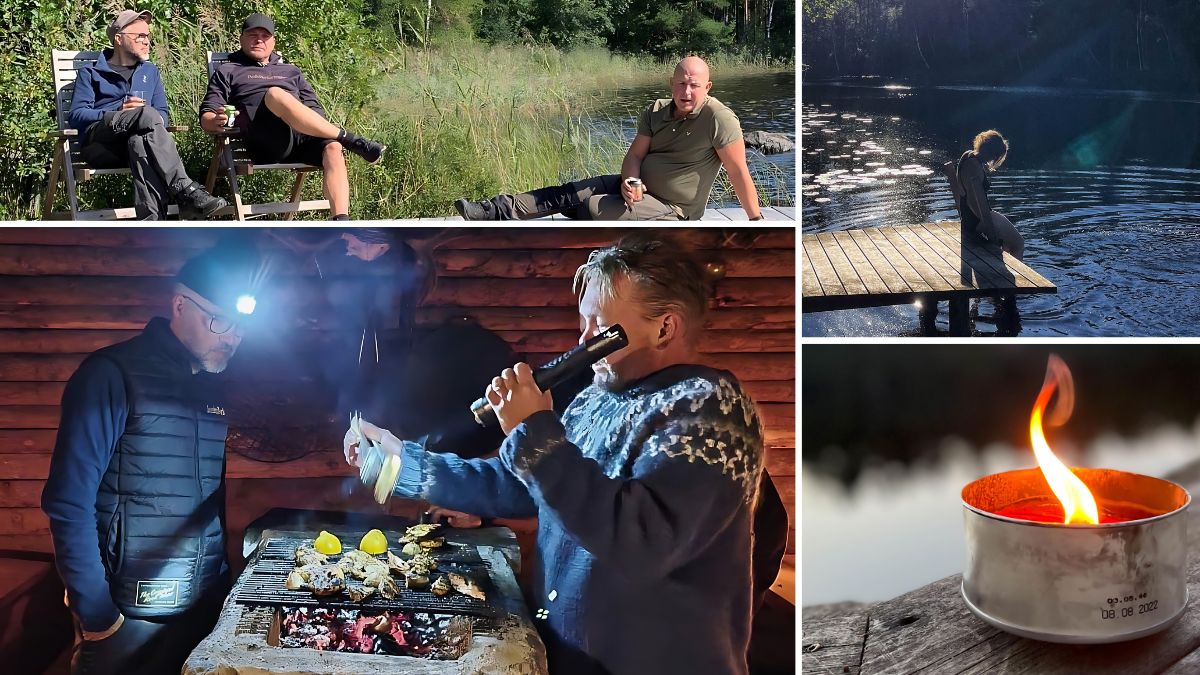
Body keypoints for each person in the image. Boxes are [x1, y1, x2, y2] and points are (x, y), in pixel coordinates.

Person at [346, 232, 767, 674]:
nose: (584, 342)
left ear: (664, 327)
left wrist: (531, 428)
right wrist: (403, 461)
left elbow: (643, 543)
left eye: (599, 326)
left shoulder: (708, 404)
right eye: (583, 323)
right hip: (569, 657)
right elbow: (521, 487)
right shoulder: (593, 399)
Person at [40, 244, 265, 675]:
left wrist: (221, 582)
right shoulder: (110, 374)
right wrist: (100, 617)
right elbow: (68, 503)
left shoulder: (212, 387)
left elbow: (208, 498)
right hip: (128, 619)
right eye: (220, 321)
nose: (233, 336)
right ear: (180, 305)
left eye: (241, 326)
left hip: (203, 608)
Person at [454, 57, 766, 221]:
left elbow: (738, 172)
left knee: (590, 208)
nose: (687, 92)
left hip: (673, 209)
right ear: (671, 83)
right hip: (634, 189)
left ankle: (582, 209)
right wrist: (631, 181)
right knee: (568, 192)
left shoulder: (719, 118)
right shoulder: (656, 110)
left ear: (707, 87)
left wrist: (755, 221)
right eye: (681, 84)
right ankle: (493, 210)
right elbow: (634, 156)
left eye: (694, 85)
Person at [199, 13, 387, 221]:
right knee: (276, 94)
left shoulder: (291, 71)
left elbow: (315, 111)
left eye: (265, 35)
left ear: (273, 42)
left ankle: (341, 223)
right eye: (252, 34)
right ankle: (352, 140)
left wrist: (313, 127)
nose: (259, 39)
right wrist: (214, 121)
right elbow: (207, 114)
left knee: (333, 147)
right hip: (265, 141)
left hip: (300, 139)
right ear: (242, 38)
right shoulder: (228, 70)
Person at [67, 9, 227, 220]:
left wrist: (144, 117)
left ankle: (152, 223)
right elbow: (77, 115)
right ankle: (185, 189)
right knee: (146, 114)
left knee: (139, 142)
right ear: (118, 39)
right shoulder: (91, 72)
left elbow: (162, 115)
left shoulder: (150, 72)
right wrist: (118, 112)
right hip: (101, 146)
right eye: (139, 36)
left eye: (147, 36)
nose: (146, 41)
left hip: (136, 146)